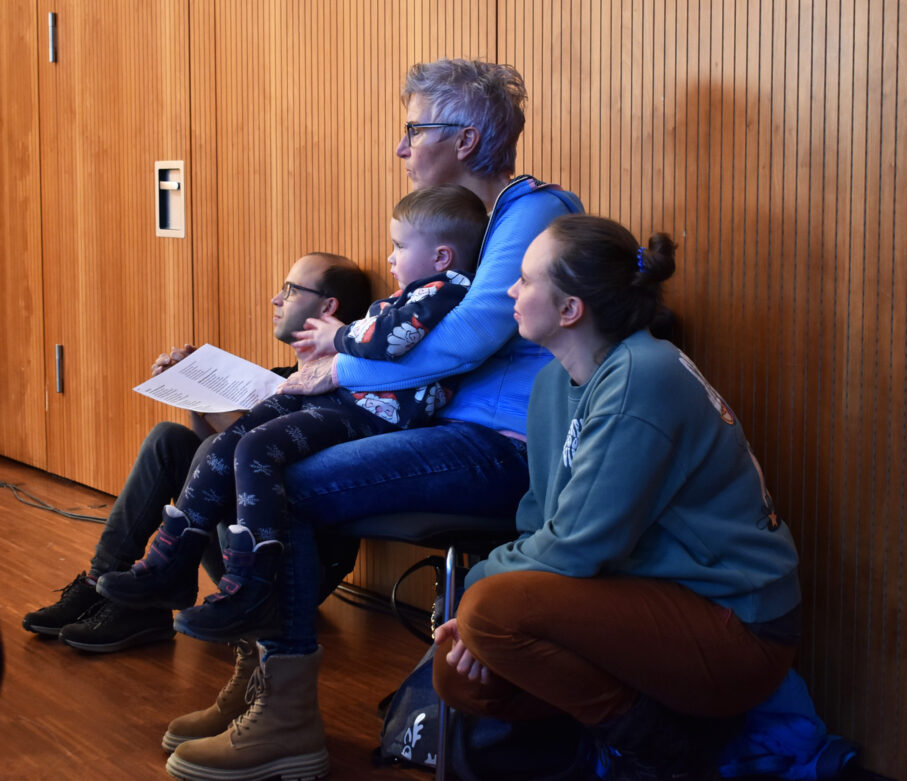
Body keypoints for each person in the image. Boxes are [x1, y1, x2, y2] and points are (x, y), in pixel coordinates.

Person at [163, 58, 583, 781]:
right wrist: (326, 368)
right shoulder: (484, 222)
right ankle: (259, 681)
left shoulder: (533, 211)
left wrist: (338, 368)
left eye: (414, 130)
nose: (400, 147)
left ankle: (285, 716)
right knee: (255, 455)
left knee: (284, 482)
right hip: (450, 430)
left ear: (465, 139)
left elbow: (470, 336)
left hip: (501, 444)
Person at [431, 215, 803, 780]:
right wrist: (476, 614)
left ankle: (667, 754)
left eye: (525, 280)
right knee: (457, 673)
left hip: (737, 625)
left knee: (490, 612)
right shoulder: (554, 383)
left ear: (569, 309)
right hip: (642, 595)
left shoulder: (642, 375)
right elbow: (541, 522)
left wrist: (473, 593)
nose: (510, 290)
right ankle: (627, 734)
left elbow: (577, 547)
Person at [97, 185, 488, 646]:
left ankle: (252, 587)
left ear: (442, 256)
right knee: (236, 438)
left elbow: (390, 338)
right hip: (345, 398)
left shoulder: (446, 290)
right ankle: (168, 561)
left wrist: (338, 337)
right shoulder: (412, 295)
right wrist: (194, 385)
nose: (390, 257)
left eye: (399, 246)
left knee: (255, 446)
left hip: (372, 412)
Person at [21, 253, 371, 654]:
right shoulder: (279, 380)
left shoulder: (341, 395)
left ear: (328, 308)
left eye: (290, 290)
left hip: (283, 570)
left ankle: (144, 600)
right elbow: (213, 453)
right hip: (234, 548)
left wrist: (205, 394)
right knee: (169, 439)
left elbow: (251, 451)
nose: (276, 299)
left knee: (214, 448)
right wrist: (190, 389)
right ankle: (104, 584)